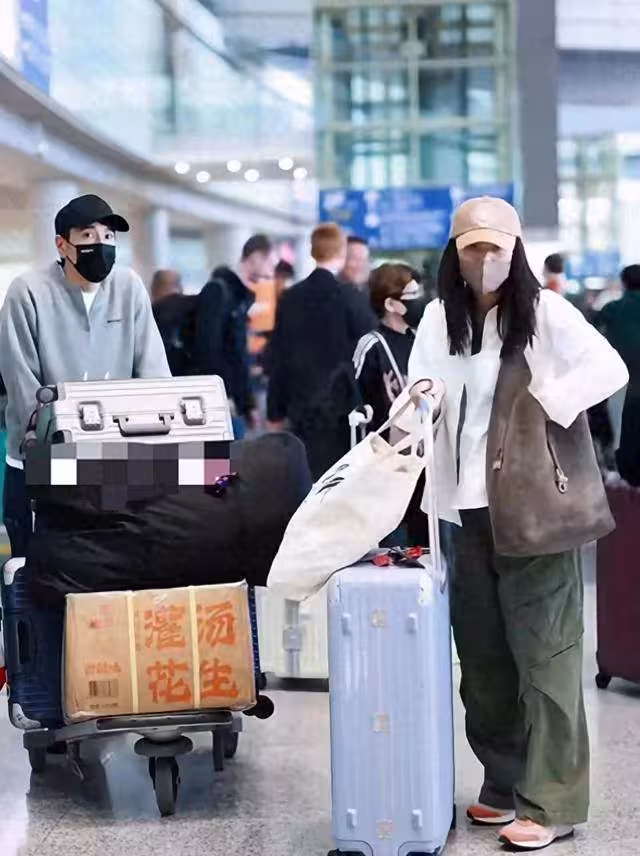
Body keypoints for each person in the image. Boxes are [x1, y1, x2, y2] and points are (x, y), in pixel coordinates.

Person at [404, 197, 628, 850]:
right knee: (482, 659)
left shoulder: (546, 312)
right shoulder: (439, 318)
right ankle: (503, 781)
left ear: (517, 249)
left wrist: (545, 401)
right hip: (458, 508)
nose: (486, 258)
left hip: (534, 510)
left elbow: (608, 368)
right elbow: (423, 389)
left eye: (497, 247)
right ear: (454, 254)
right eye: (473, 247)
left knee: (547, 657)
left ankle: (554, 800)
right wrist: (418, 405)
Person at [0, 193, 171, 558]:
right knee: (41, 572)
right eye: (89, 235)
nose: (101, 244)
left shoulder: (128, 288)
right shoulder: (27, 293)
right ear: (62, 245)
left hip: (116, 462)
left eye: (109, 236)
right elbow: (23, 386)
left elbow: (154, 373)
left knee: (115, 569)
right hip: (40, 466)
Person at [267, 223, 371, 479]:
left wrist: (274, 410)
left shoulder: (290, 297)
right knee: (339, 481)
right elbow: (367, 351)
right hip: (341, 409)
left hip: (300, 406)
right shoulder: (349, 296)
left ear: (313, 251)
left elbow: (279, 356)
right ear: (341, 252)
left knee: (306, 479)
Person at [193, 235, 275, 437]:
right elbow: (208, 350)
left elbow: (238, 354)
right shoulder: (218, 291)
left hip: (233, 401)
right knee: (225, 454)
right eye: (270, 262)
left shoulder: (240, 297)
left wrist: (247, 403)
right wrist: (225, 396)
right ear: (255, 257)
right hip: (219, 400)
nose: (272, 269)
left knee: (236, 452)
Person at [353, 263, 427, 432]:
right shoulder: (372, 347)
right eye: (412, 294)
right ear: (390, 304)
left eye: (419, 293)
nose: (419, 300)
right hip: (384, 441)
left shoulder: (421, 339)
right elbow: (357, 400)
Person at [597, 264, 640, 486]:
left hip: (621, 385)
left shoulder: (611, 310)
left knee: (622, 434)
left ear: (623, 283)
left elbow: (593, 340)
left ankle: (627, 481)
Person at [151, 271, 199, 377]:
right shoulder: (196, 308)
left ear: (154, 289)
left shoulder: (151, 313)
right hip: (193, 378)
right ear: (180, 287)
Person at [339, 235, 377, 333]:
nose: (360, 265)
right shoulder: (328, 296)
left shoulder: (376, 294)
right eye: (354, 258)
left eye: (364, 259)